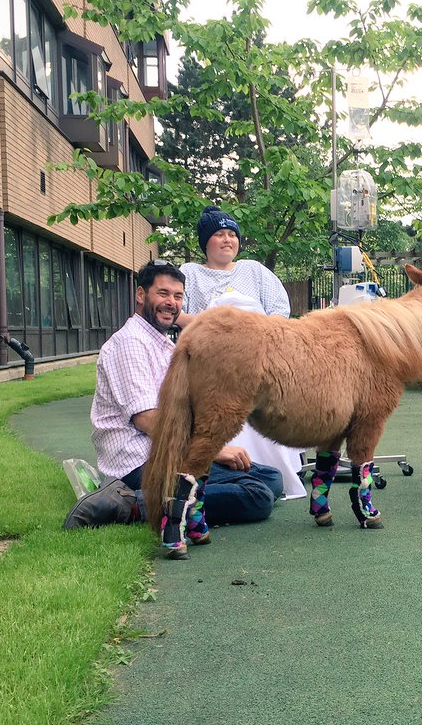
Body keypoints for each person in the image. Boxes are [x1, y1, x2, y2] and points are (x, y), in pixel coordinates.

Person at [64, 260, 284, 555]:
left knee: (271, 479)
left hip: (171, 449)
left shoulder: (163, 343)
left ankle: (156, 496)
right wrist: (213, 451)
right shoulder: (130, 344)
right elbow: (147, 420)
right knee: (258, 495)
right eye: (163, 294)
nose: (171, 303)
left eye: (178, 296)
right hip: (141, 460)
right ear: (141, 295)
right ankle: (130, 503)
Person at [174, 205, 307, 501]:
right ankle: (230, 467)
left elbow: (278, 311)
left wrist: (252, 332)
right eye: (219, 234)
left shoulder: (255, 270)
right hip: (211, 358)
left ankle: (276, 470)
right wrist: (215, 326)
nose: (227, 240)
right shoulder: (189, 273)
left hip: (258, 353)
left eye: (231, 234)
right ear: (205, 242)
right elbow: (175, 312)